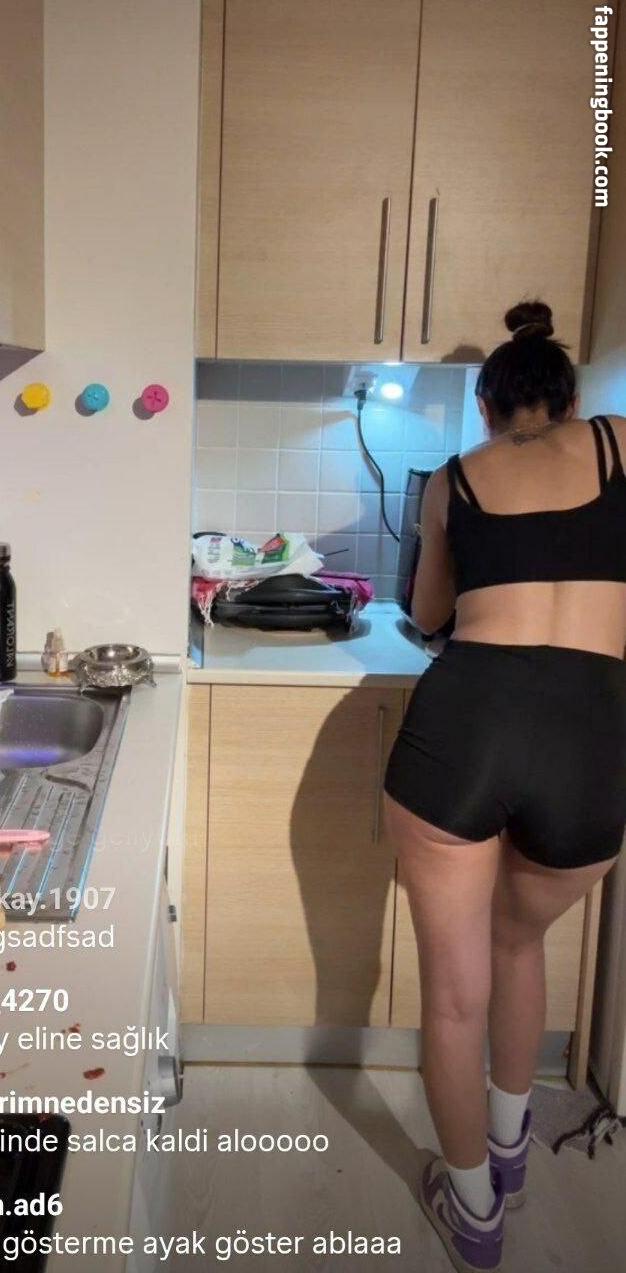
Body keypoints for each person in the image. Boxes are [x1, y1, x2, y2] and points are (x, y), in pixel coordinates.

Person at [383, 301, 626, 1273]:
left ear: (484, 409)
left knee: (454, 997)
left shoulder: (454, 479)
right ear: (570, 400)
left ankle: (475, 1213)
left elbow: (427, 611)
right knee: (519, 941)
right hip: (593, 733)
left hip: (470, 719)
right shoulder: (618, 442)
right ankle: (513, 1152)